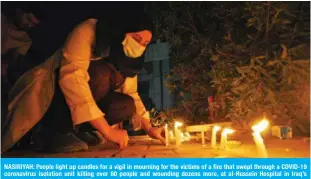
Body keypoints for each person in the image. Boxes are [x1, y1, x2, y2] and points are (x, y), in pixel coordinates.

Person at [2, 12, 165, 153]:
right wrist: (107, 131)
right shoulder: (88, 31)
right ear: (123, 29)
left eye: (145, 44)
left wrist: (150, 128)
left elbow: (131, 92)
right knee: (101, 73)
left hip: (89, 98)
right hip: (56, 96)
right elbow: (72, 78)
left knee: (126, 105)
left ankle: (81, 130)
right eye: (137, 38)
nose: (139, 46)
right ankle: (57, 131)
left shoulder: (127, 56)